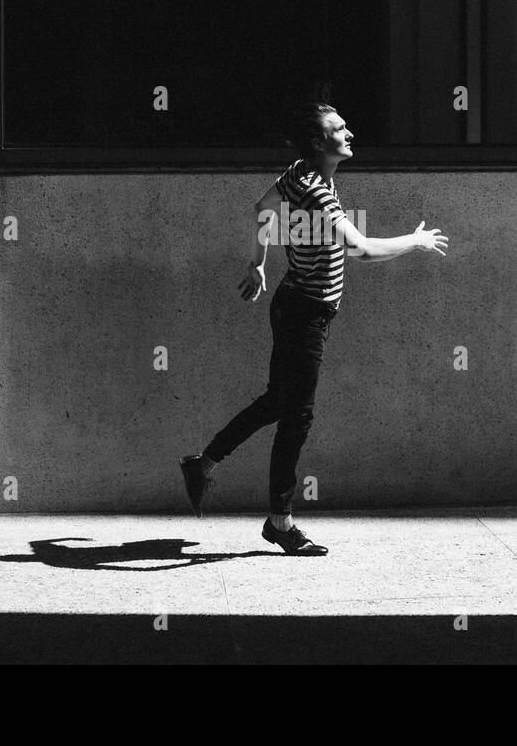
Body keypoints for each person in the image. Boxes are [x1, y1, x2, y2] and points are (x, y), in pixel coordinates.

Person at [179, 101, 450, 555]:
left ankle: (203, 463)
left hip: (296, 306)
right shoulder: (318, 195)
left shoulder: (300, 174)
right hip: (305, 313)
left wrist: (258, 262)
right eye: (338, 129)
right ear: (318, 143)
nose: (348, 132)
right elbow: (363, 250)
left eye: (345, 124)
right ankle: (280, 522)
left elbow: (262, 207)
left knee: (278, 402)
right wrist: (416, 240)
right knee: (296, 416)